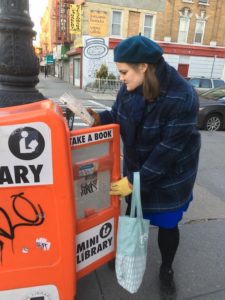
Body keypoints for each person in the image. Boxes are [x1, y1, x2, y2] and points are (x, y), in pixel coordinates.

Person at [88, 35, 201, 299]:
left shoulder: (182, 96)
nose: (121, 78)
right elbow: (116, 115)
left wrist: (134, 181)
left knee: (167, 223)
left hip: (172, 177)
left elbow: (168, 152)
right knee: (134, 214)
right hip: (139, 168)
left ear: (144, 67)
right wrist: (96, 118)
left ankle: (167, 268)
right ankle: (127, 251)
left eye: (124, 71)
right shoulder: (129, 88)